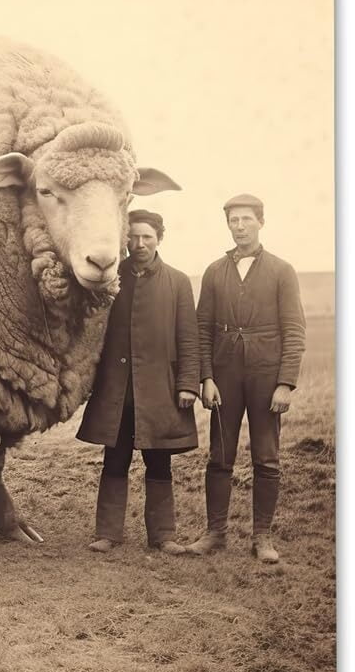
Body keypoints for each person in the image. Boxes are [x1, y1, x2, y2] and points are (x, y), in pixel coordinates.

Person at [187, 194, 306, 563]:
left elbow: (295, 329)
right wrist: (206, 377)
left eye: (246, 220)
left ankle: (262, 538)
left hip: (267, 378)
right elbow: (202, 329)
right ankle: (215, 533)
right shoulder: (213, 272)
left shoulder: (281, 270)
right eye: (233, 221)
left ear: (260, 222)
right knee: (219, 456)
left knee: (266, 458)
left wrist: (285, 382)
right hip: (224, 377)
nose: (239, 226)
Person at [77, 210, 199, 554]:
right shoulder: (111, 279)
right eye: (133, 237)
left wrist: (188, 383)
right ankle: (108, 533)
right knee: (114, 459)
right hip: (118, 391)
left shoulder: (177, 281)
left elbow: (188, 337)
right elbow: (91, 333)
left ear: (160, 238)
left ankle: (163, 536)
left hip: (160, 390)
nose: (139, 243)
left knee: (159, 462)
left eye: (147, 236)